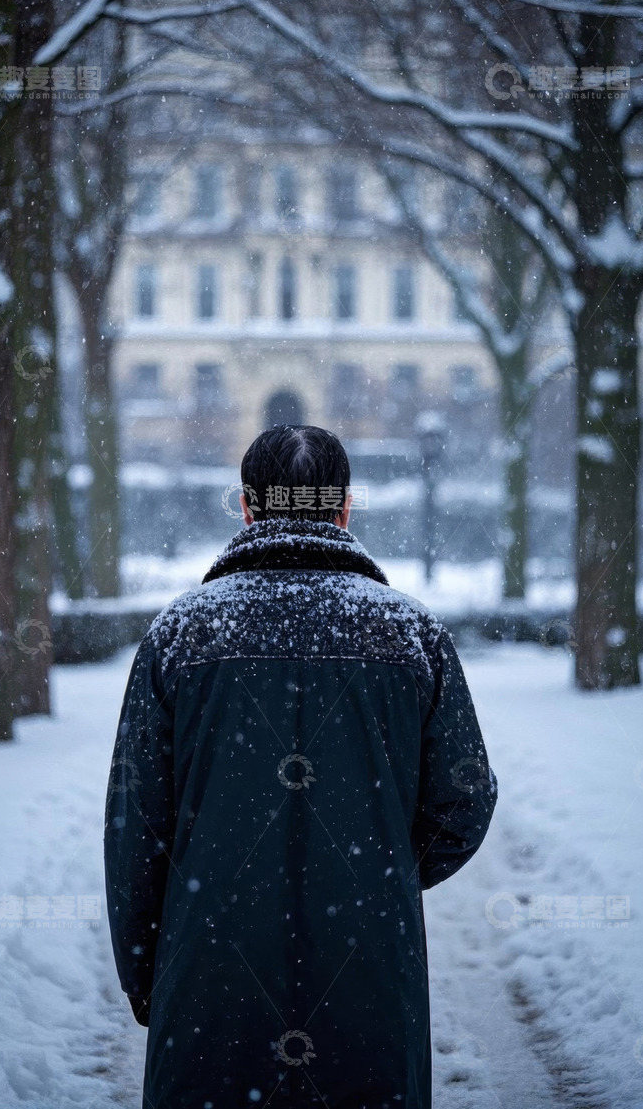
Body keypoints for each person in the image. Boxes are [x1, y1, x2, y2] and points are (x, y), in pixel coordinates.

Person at [104, 424, 497, 1109]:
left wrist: (148, 975)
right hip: (369, 974)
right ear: (345, 509)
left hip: (209, 983)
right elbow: (465, 801)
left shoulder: (179, 635)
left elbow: (136, 825)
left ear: (246, 506)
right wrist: (381, 871)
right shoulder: (413, 634)